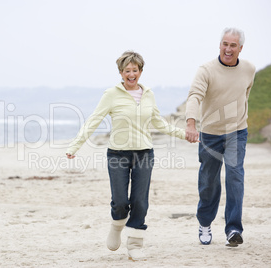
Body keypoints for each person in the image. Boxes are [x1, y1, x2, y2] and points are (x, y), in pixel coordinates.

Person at [66, 51, 186, 260]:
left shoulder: (148, 94)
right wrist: (75, 146)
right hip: (118, 154)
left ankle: (135, 244)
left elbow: (159, 123)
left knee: (140, 201)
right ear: (121, 73)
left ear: (140, 71)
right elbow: (94, 120)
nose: (131, 74)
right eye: (127, 70)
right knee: (120, 200)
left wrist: (185, 134)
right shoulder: (111, 95)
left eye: (135, 70)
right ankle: (116, 225)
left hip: (144, 153)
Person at [185, 27, 256, 247]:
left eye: (233, 45)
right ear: (219, 45)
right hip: (210, 134)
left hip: (237, 132)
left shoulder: (249, 69)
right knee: (209, 182)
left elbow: (245, 95)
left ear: (240, 48)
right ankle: (205, 222)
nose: (228, 48)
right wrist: (191, 123)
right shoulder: (206, 70)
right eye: (225, 44)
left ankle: (233, 228)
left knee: (235, 177)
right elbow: (195, 96)